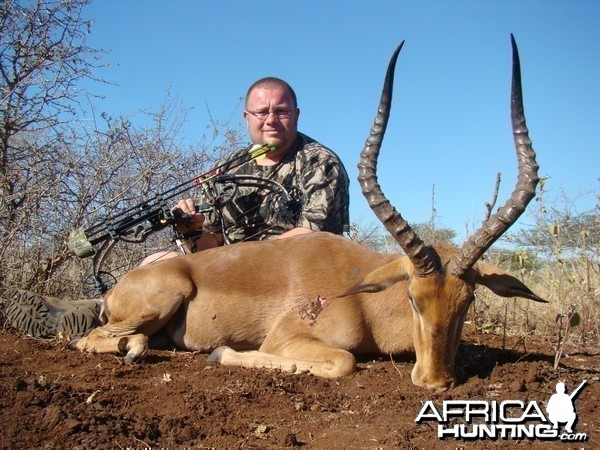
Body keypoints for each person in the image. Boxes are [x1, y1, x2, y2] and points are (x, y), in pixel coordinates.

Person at [4, 76, 350, 338]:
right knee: (157, 262)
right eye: (262, 112)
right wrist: (192, 231)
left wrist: (240, 256)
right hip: (233, 270)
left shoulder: (320, 162)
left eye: (281, 111)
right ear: (247, 118)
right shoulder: (229, 167)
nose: (271, 119)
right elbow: (210, 245)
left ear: (296, 114)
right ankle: (90, 312)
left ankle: (98, 319)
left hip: (298, 280)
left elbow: (312, 242)